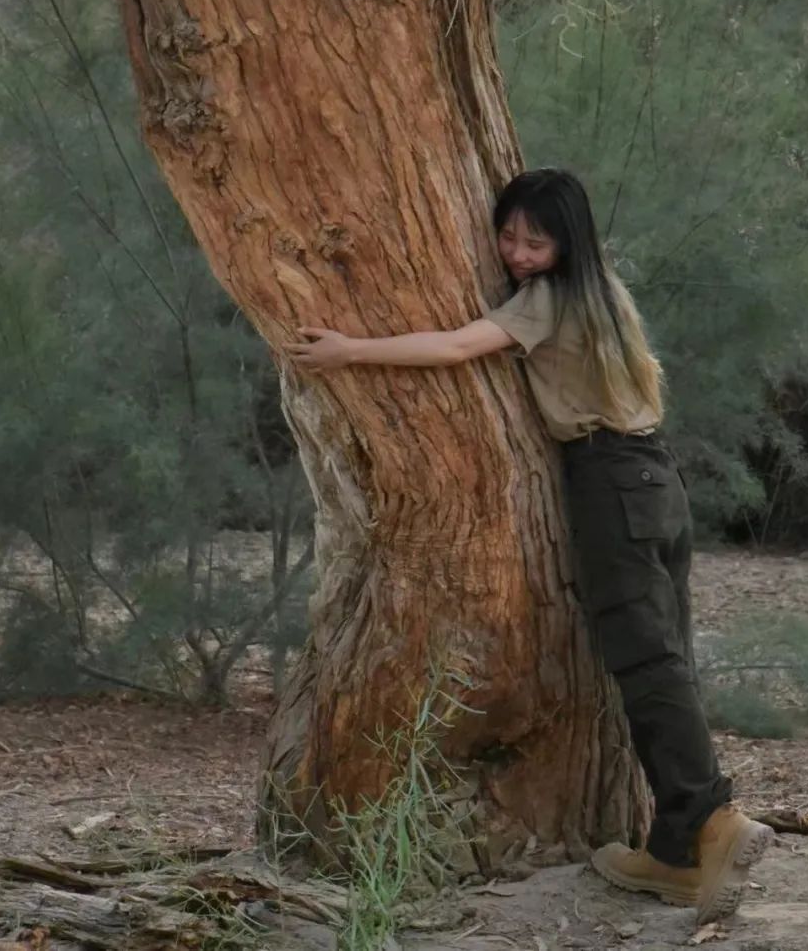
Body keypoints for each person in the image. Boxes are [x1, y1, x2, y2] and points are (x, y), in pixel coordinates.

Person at [286, 167, 770, 925]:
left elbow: (455, 347)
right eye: (508, 236)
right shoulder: (607, 295)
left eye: (534, 241)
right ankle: (676, 852)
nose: (516, 253)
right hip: (655, 476)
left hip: (610, 480)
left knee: (646, 660)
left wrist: (351, 350)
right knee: (666, 654)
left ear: (565, 243)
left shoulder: (548, 301)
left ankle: (712, 818)